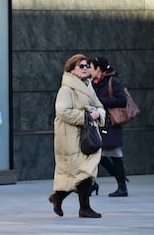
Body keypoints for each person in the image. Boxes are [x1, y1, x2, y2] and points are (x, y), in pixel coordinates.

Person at [49, 54, 106, 218]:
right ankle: (82, 208)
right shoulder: (66, 88)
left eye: (87, 65)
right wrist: (86, 116)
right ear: (71, 69)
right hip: (70, 137)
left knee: (84, 172)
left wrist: (98, 113)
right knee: (82, 172)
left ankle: (59, 198)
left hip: (85, 134)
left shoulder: (87, 85)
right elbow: (62, 111)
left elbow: (98, 105)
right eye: (81, 66)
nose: (85, 68)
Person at [89, 56, 128, 197]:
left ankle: (122, 186)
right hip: (101, 123)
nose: (88, 70)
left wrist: (100, 101)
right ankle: (92, 185)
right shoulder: (95, 83)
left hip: (111, 124)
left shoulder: (112, 81)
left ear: (98, 69)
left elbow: (122, 100)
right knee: (95, 154)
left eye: (91, 67)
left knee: (114, 154)